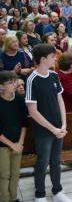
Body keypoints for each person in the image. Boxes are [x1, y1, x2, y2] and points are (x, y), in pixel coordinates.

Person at [25, 44, 72, 202]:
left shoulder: (53, 75)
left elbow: (60, 100)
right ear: (43, 59)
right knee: (42, 162)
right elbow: (33, 111)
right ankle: (40, 194)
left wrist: (64, 124)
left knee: (55, 161)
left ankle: (57, 191)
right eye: (53, 56)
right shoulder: (32, 79)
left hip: (58, 127)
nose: (55, 58)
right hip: (44, 130)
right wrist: (53, 129)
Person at [0, 71, 27, 202]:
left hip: (18, 143)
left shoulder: (19, 99)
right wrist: (12, 145)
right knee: (4, 174)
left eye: (15, 81)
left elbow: (24, 124)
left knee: (15, 173)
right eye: (10, 83)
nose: (14, 85)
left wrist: (20, 143)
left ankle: (13, 197)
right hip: (2, 145)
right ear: (2, 86)